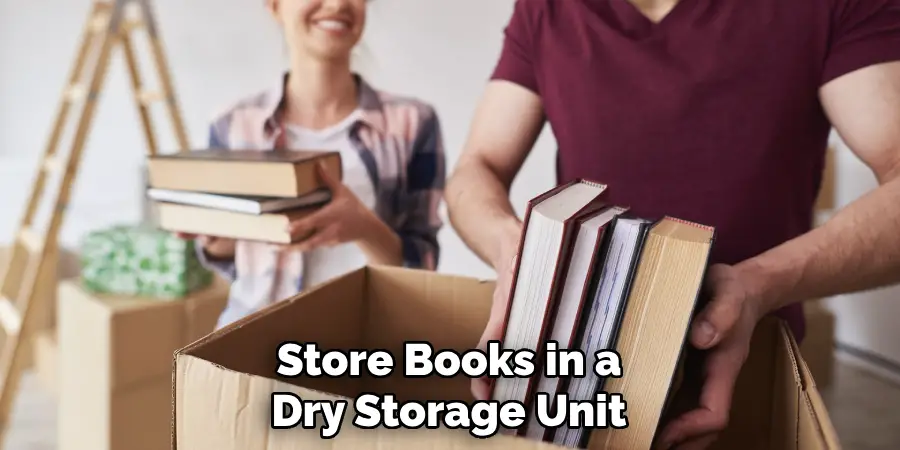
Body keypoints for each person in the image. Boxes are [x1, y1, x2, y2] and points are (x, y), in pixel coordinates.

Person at [446, 0, 900, 448]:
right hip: (578, 384)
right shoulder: (545, 10)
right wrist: (519, 255)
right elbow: (477, 167)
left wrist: (758, 285)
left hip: (751, 379)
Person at [179, 0, 445, 329]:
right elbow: (235, 262)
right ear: (274, 6)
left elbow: (424, 272)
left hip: (363, 351)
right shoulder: (232, 124)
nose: (337, 4)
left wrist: (363, 226)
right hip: (252, 341)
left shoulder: (414, 123)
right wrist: (216, 233)